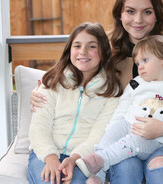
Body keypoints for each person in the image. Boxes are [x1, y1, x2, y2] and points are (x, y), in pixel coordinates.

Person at [30, 0, 163, 184]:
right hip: (124, 137)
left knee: (159, 169)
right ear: (120, 14)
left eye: (147, 12)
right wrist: (40, 91)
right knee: (127, 168)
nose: (138, 19)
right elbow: (75, 73)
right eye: (130, 11)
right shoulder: (108, 51)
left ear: (157, 15)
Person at [76, 35, 163, 184]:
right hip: (127, 124)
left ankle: (102, 159)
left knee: (132, 142)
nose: (139, 66)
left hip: (154, 138)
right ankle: (98, 177)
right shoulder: (136, 83)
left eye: (145, 61)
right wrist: (112, 128)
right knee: (107, 140)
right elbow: (123, 107)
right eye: (138, 62)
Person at [27, 22, 122, 184]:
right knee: (51, 181)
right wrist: (51, 158)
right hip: (45, 154)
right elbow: (39, 127)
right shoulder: (52, 83)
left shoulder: (111, 92)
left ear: (103, 53)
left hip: (81, 157)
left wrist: (74, 159)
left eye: (92, 46)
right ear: (69, 50)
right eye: (77, 46)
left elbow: (99, 135)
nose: (83, 52)